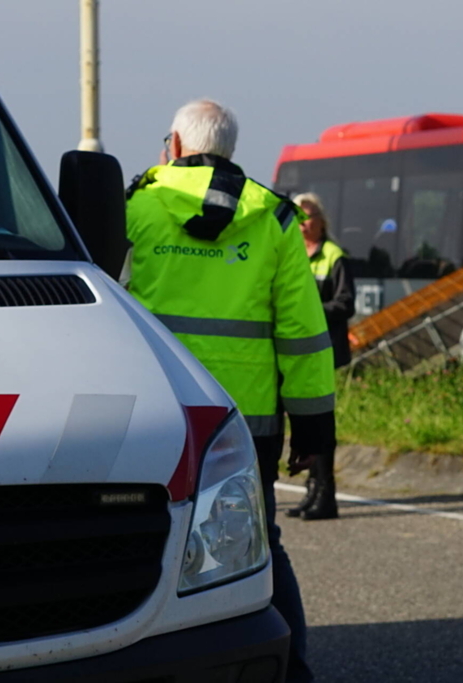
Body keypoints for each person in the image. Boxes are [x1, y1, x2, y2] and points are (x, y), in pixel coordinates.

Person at [124, 99, 334, 683]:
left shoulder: (136, 206)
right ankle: (289, 669)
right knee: (259, 542)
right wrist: (315, 429)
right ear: (231, 149)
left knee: (145, 540)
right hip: (247, 420)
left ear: (174, 144)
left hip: (153, 412)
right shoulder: (275, 218)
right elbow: (303, 334)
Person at [285, 193, 354, 521]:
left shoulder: (333, 255)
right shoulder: (293, 252)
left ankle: (327, 495)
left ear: (322, 220)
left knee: (322, 422)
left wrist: (311, 312)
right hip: (300, 352)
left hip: (325, 352)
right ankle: (312, 492)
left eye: (309, 217)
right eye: (298, 217)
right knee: (308, 422)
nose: (303, 224)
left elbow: (345, 303)